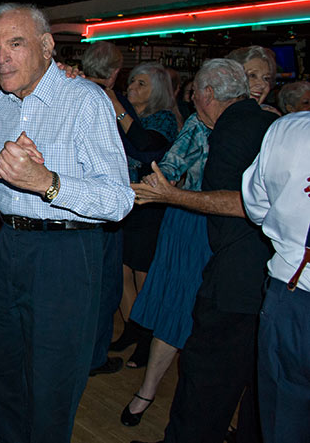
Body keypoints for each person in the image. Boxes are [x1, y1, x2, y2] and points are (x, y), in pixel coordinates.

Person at [0, 3, 134, 442]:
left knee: (53, 379)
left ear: (47, 47)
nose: (2, 57)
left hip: (67, 252)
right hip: (10, 247)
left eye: (15, 43)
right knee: (4, 372)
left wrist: (48, 183)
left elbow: (119, 199)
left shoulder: (83, 99)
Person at [132, 58, 277, 443]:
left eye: (195, 94)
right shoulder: (266, 123)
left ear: (208, 94)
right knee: (249, 373)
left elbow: (240, 203)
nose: (192, 101)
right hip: (266, 269)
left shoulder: (230, 130)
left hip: (234, 271)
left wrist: (170, 194)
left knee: (205, 371)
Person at [120, 109, 212, 427]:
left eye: (264, 78)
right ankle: (148, 390)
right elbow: (169, 165)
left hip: (239, 232)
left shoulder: (267, 123)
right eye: (251, 77)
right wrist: (155, 183)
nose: (258, 86)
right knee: (177, 306)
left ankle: (214, 405)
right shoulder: (198, 125)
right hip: (191, 222)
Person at [242, 111, 310, 443]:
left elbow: (256, 206)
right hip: (293, 297)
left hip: (294, 295)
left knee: (286, 418)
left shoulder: (289, 130)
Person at [106, 62, 179, 368]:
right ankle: (133, 329)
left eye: (140, 84)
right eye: (131, 83)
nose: (131, 89)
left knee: (143, 275)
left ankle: (146, 338)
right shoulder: (123, 116)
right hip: (127, 201)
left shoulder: (164, 120)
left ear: (157, 91)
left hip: (150, 205)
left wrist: (117, 106)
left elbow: (144, 145)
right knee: (121, 271)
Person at [80, 41, 126, 377]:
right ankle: (94, 356)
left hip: (76, 207)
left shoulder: (69, 91)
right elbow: (141, 147)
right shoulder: (104, 100)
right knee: (103, 287)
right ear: (113, 74)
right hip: (105, 208)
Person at [227, 45, 281, 115]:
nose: (262, 84)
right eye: (252, 75)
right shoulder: (213, 117)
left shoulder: (269, 115)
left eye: (266, 78)